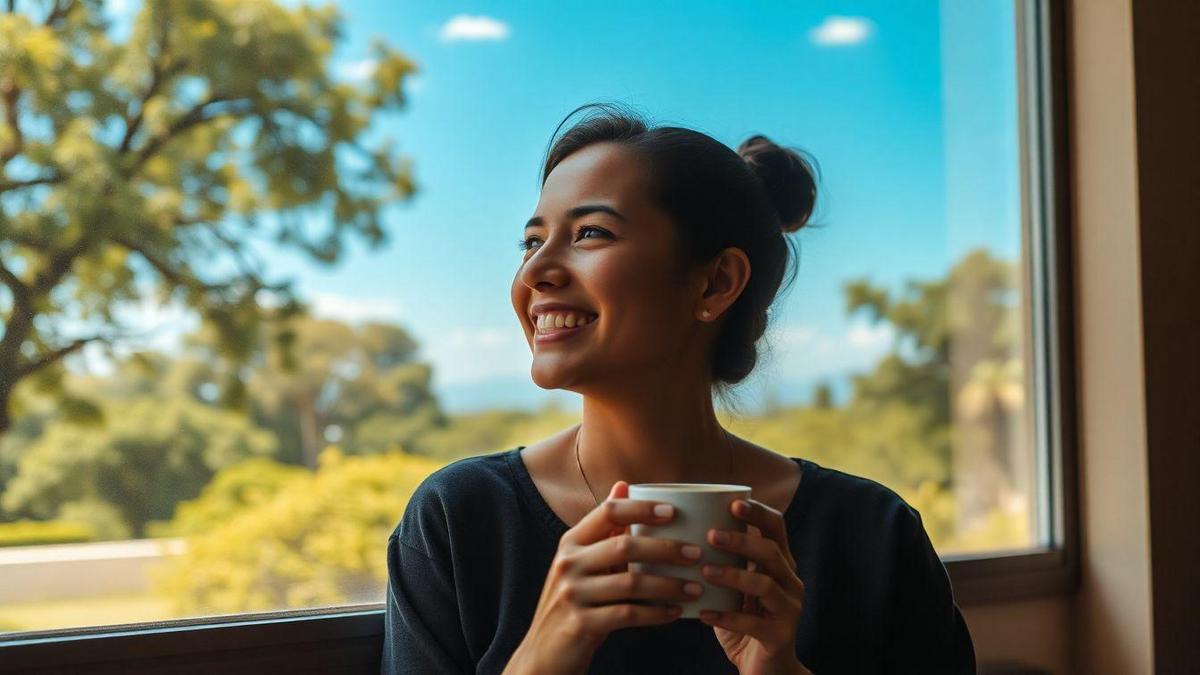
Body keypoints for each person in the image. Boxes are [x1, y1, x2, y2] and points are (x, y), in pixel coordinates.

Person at [381, 102, 976, 674]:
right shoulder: (460, 520)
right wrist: (547, 650)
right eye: (532, 241)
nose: (536, 272)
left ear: (716, 283)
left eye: (589, 233)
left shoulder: (872, 536)